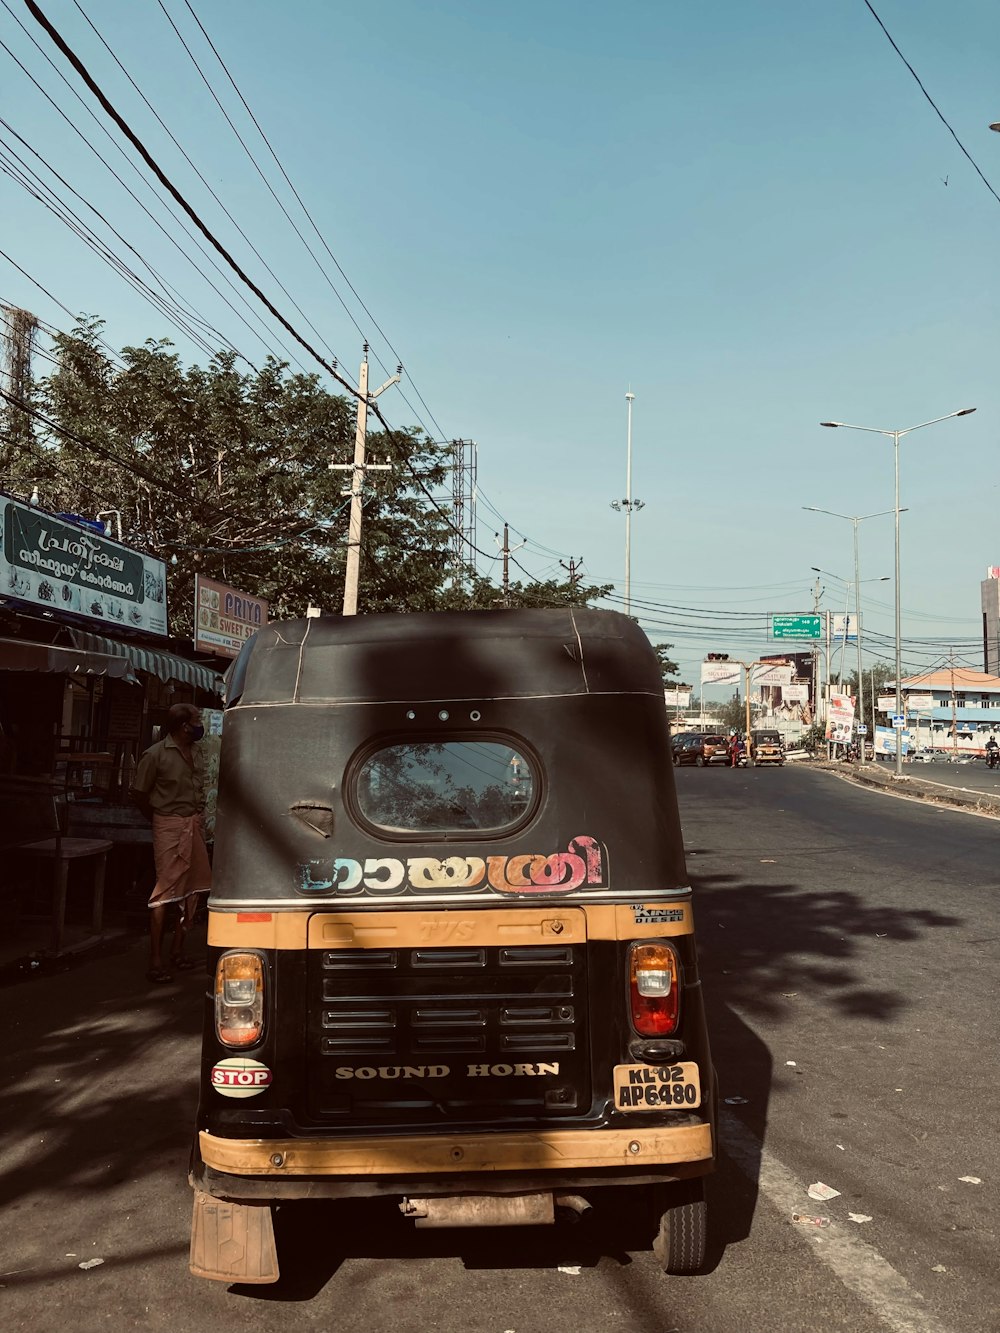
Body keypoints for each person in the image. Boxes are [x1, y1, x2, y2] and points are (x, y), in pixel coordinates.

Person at [132, 703, 212, 984]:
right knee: (165, 890)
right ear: (184, 726)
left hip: (193, 824)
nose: (201, 724)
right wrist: (161, 816)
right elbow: (139, 793)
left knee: (193, 889)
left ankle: (178, 949)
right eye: (197, 720)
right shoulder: (155, 755)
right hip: (168, 825)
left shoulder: (197, 752)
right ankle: (155, 959)